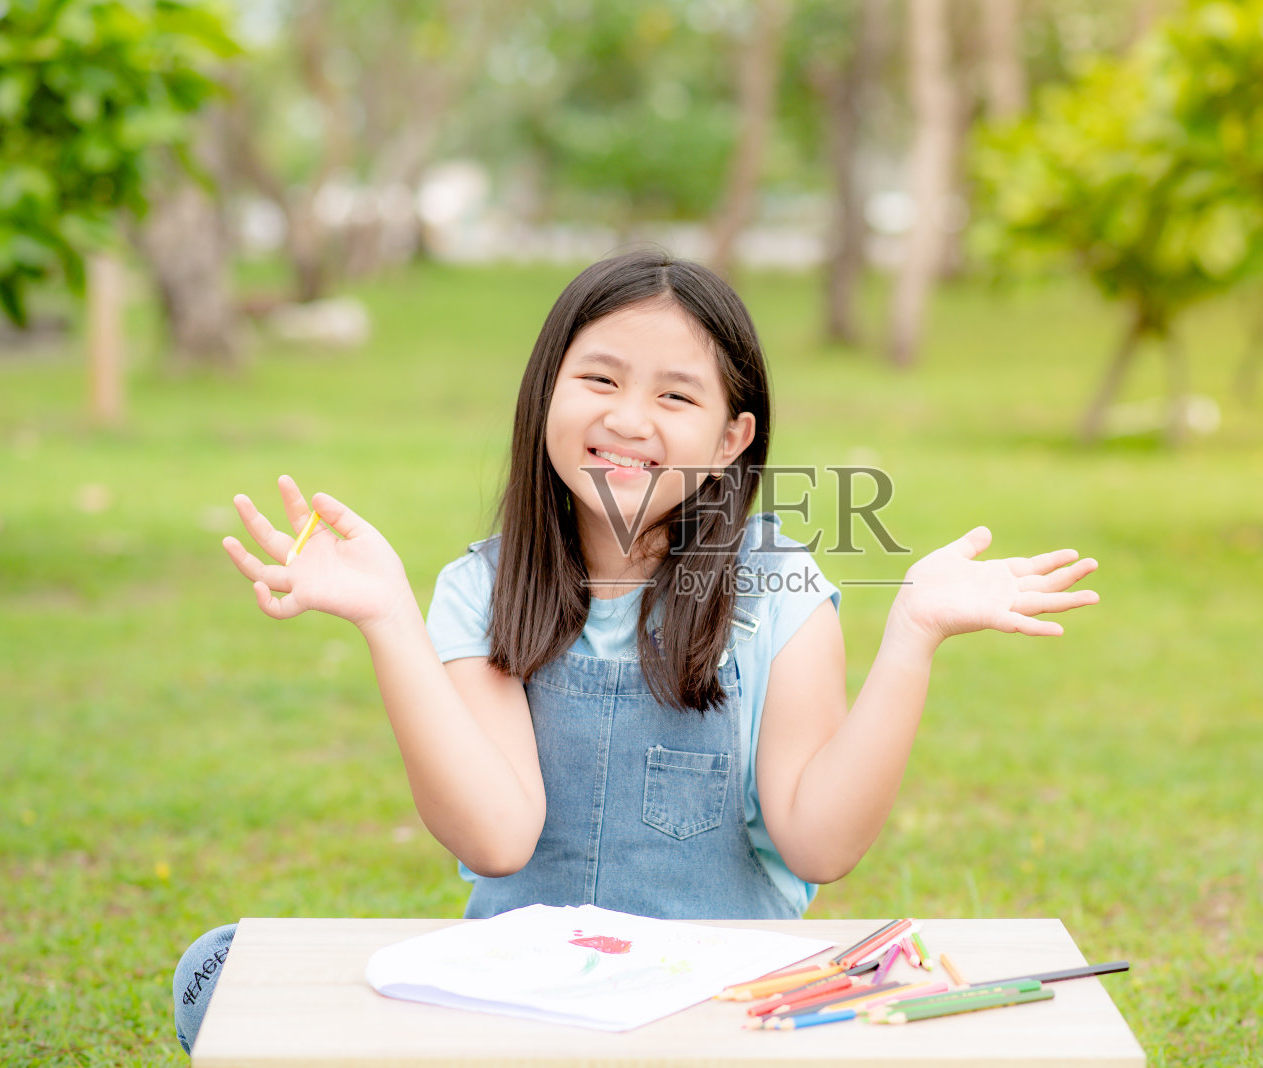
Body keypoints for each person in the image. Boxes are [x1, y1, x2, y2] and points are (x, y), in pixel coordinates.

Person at [171, 251, 1099, 1052]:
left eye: (677, 395)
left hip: (728, 1014)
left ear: (734, 439)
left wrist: (913, 637)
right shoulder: (481, 591)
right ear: (546, 395)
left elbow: (818, 844)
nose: (630, 419)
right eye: (601, 380)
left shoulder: (779, 591)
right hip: (520, 1006)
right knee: (216, 976)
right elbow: (497, 838)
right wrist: (389, 621)